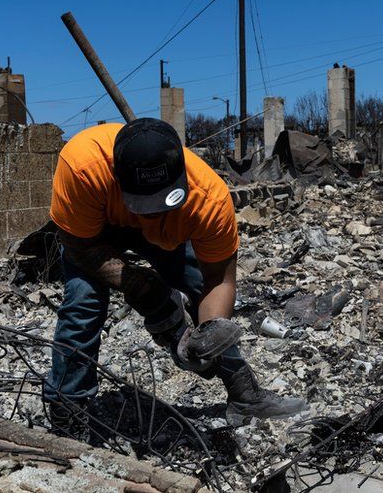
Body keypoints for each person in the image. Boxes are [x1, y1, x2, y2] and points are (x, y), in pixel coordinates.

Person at [45, 118, 306, 437]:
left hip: (168, 234)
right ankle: (67, 413)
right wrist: (141, 287)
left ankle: (244, 394)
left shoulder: (208, 199)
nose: (154, 213)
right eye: (147, 206)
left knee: (200, 293)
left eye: (163, 203)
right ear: (117, 177)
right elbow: (77, 246)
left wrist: (207, 338)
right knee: (83, 302)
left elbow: (218, 281)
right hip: (94, 232)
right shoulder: (83, 166)